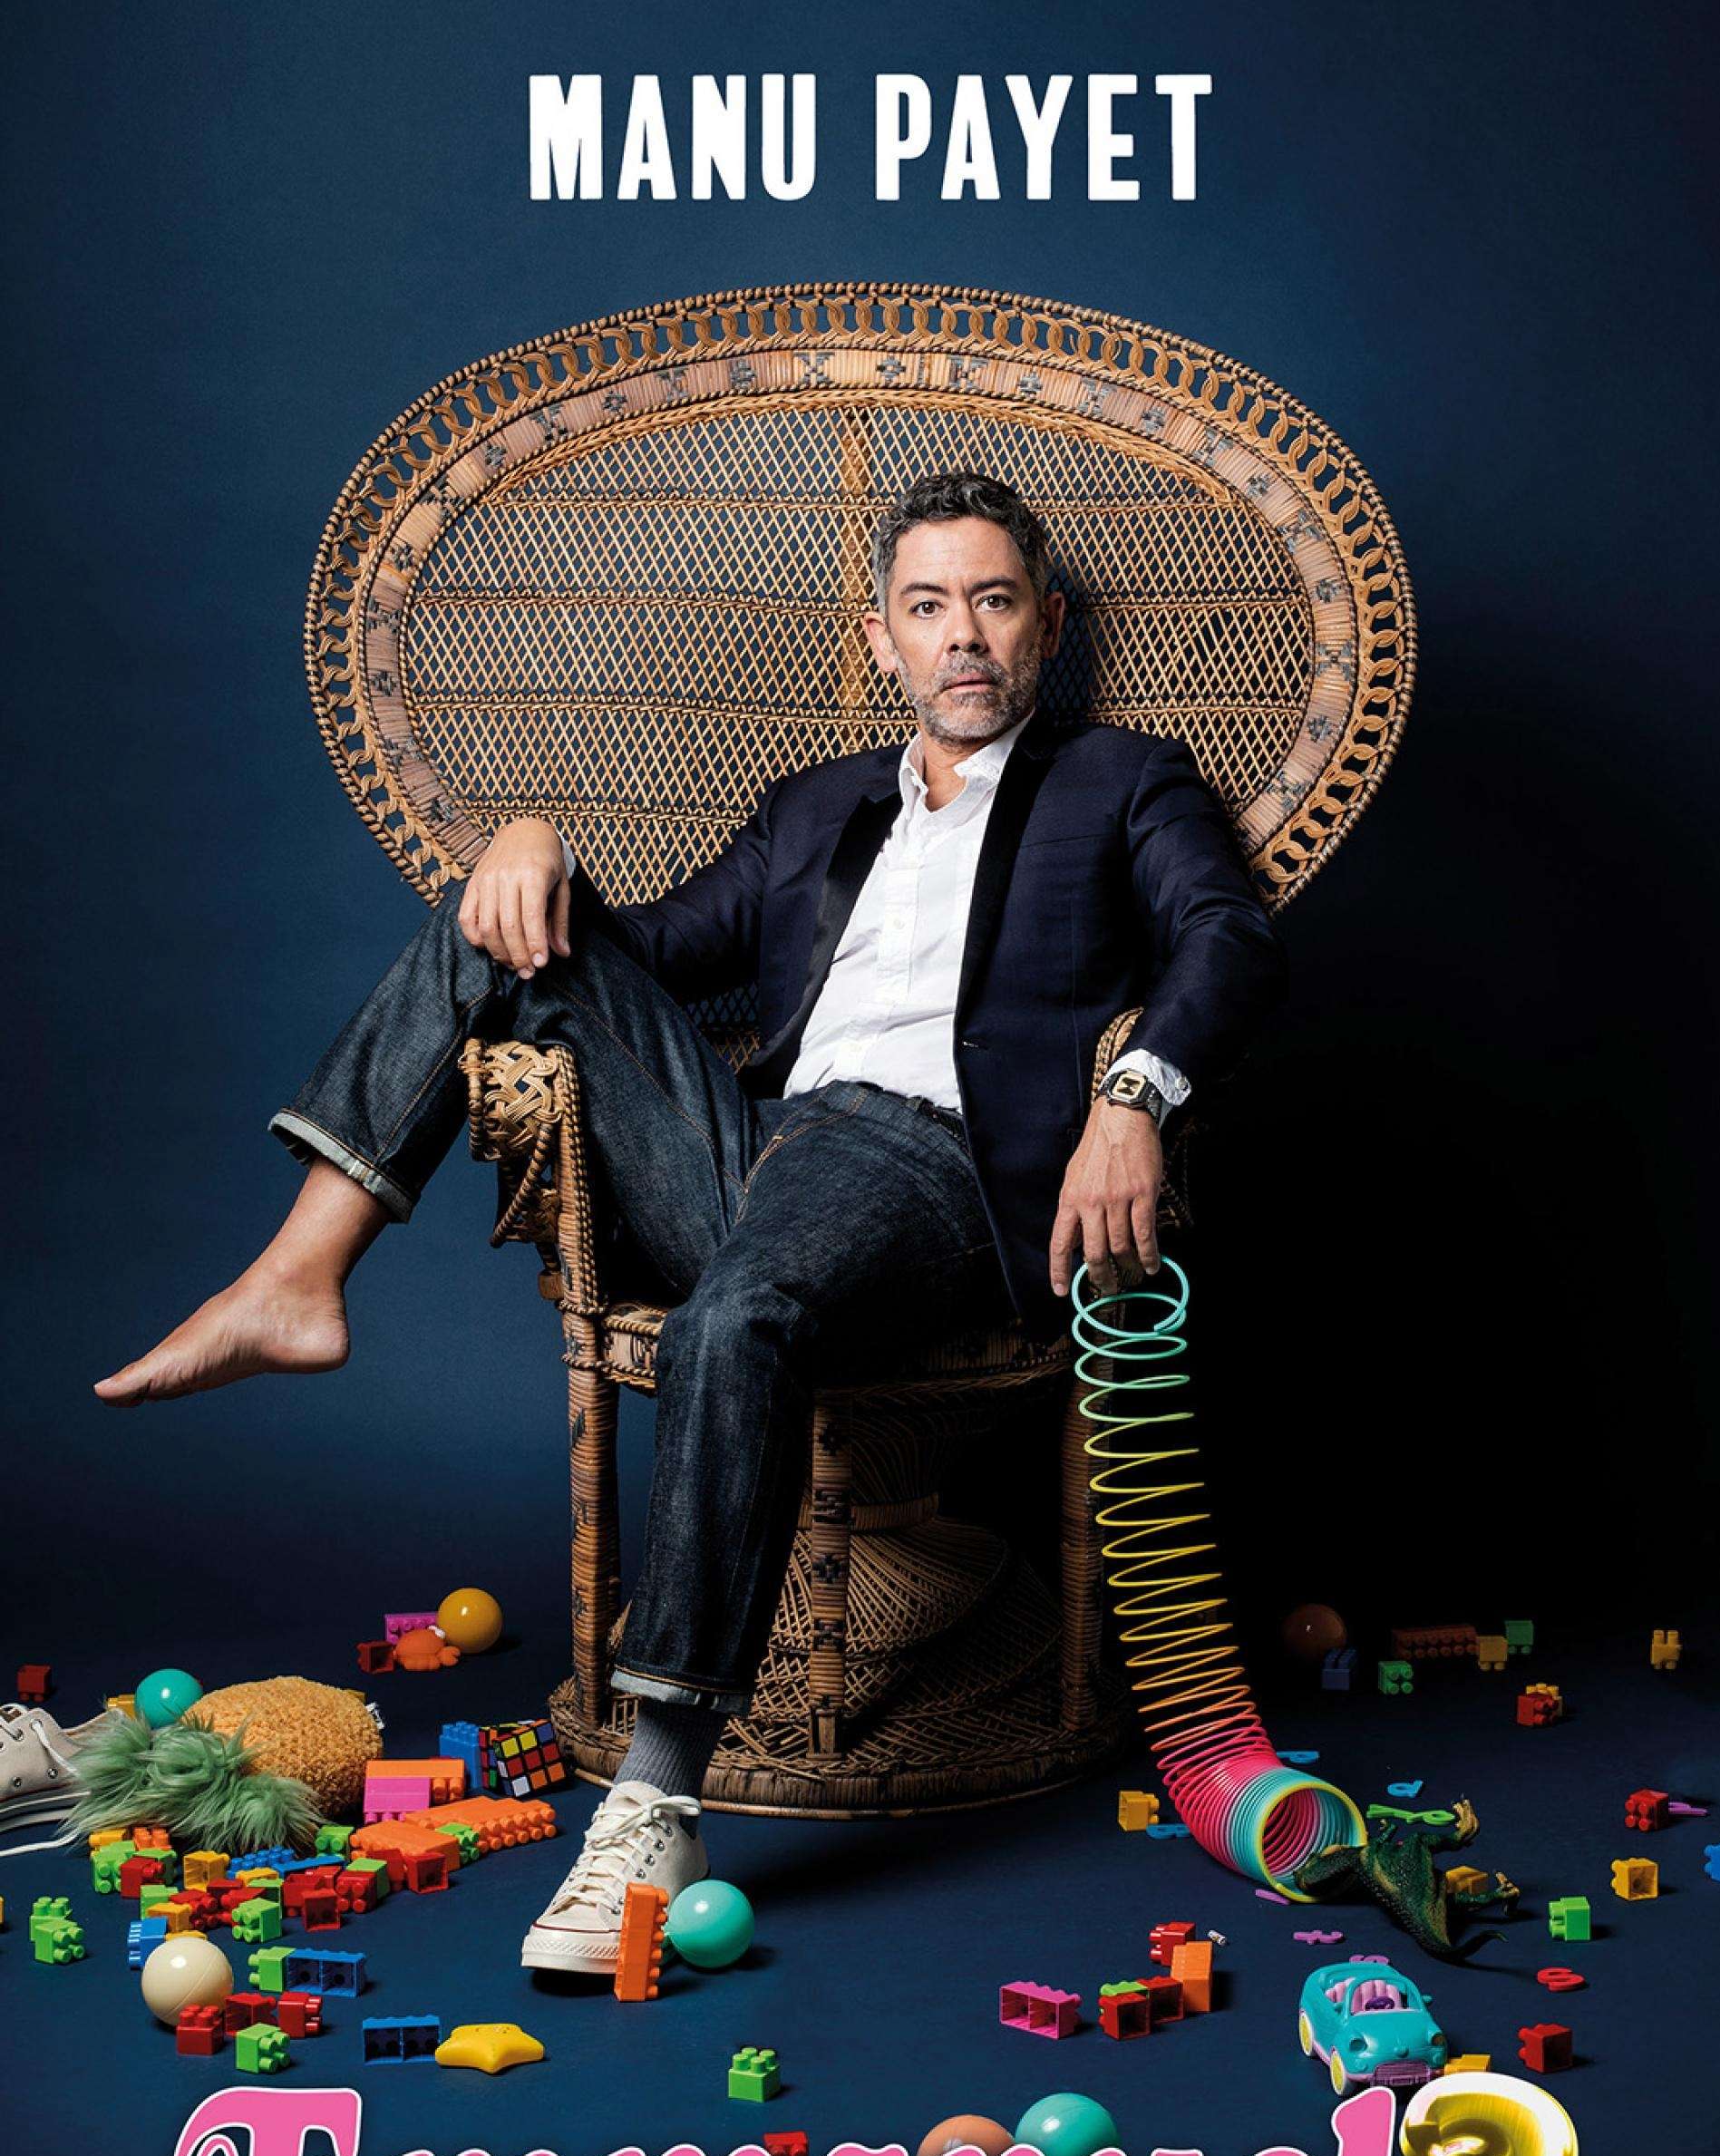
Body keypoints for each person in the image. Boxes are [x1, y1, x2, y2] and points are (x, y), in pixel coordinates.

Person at [93, 471, 1286, 1973]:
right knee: (499, 927)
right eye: (928, 608)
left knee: (740, 1310)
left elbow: (1227, 938)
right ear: (882, 639)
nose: (963, 637)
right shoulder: (816, 809)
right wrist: (530, 841)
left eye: (992, 602)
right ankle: (298, 1276)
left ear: (1043, 623)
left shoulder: (1122, 781)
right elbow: (633, 956)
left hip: (938, 1173)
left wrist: (1134, 1091)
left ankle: (654, 1797)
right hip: (761, 1151)